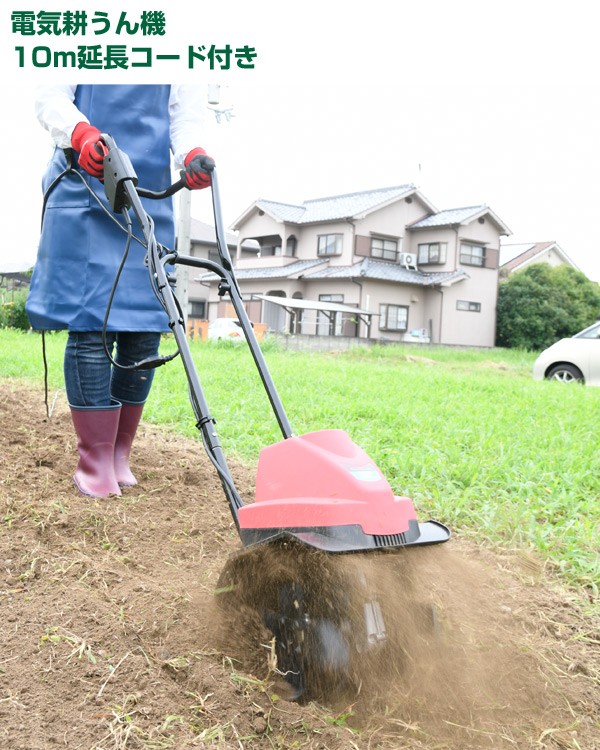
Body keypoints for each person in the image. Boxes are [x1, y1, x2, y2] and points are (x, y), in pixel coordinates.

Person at [26, 84, 212, 498]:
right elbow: (49, 94)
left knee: (145, 326)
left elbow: (185, 112)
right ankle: (94, 461)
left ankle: (118, 454)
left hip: (146, 193)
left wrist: (191, 154)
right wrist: (80, 132)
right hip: (85, 181)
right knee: (92, 323)